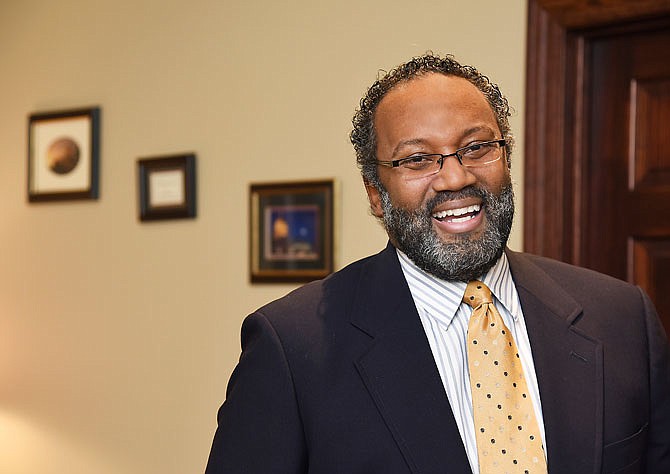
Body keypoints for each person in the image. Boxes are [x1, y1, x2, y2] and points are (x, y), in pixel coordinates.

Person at [205, 53, 670, 473]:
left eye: (477, 147)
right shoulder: (292, 347)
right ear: (376, 195)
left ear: (506, 157)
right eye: (418, 159)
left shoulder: (622, 318)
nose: (455, 176)